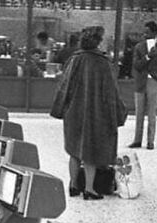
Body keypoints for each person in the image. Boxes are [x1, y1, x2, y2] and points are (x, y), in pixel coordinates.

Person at [50, 26, 127, 200]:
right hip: (96, 113)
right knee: (90, 151)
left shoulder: (74, 60)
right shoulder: (103, 62)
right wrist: (118, 113)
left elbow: (65, 86)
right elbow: (111, 92)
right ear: (98, 41)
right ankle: (90, 189)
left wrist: (61, 109)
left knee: (74, 150)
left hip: (74, 112)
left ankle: (73, 185)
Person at [128, 20, 157, 150]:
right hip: (141, 81)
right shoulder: (139, 47)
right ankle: (137, 140)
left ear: (154, 32)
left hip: (153, 81)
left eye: (147, 31)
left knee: (152, 113)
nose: (145, 34)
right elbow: (136, 65)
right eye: (144, 31)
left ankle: (150, 141)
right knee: (139, 112)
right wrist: (147, 57)